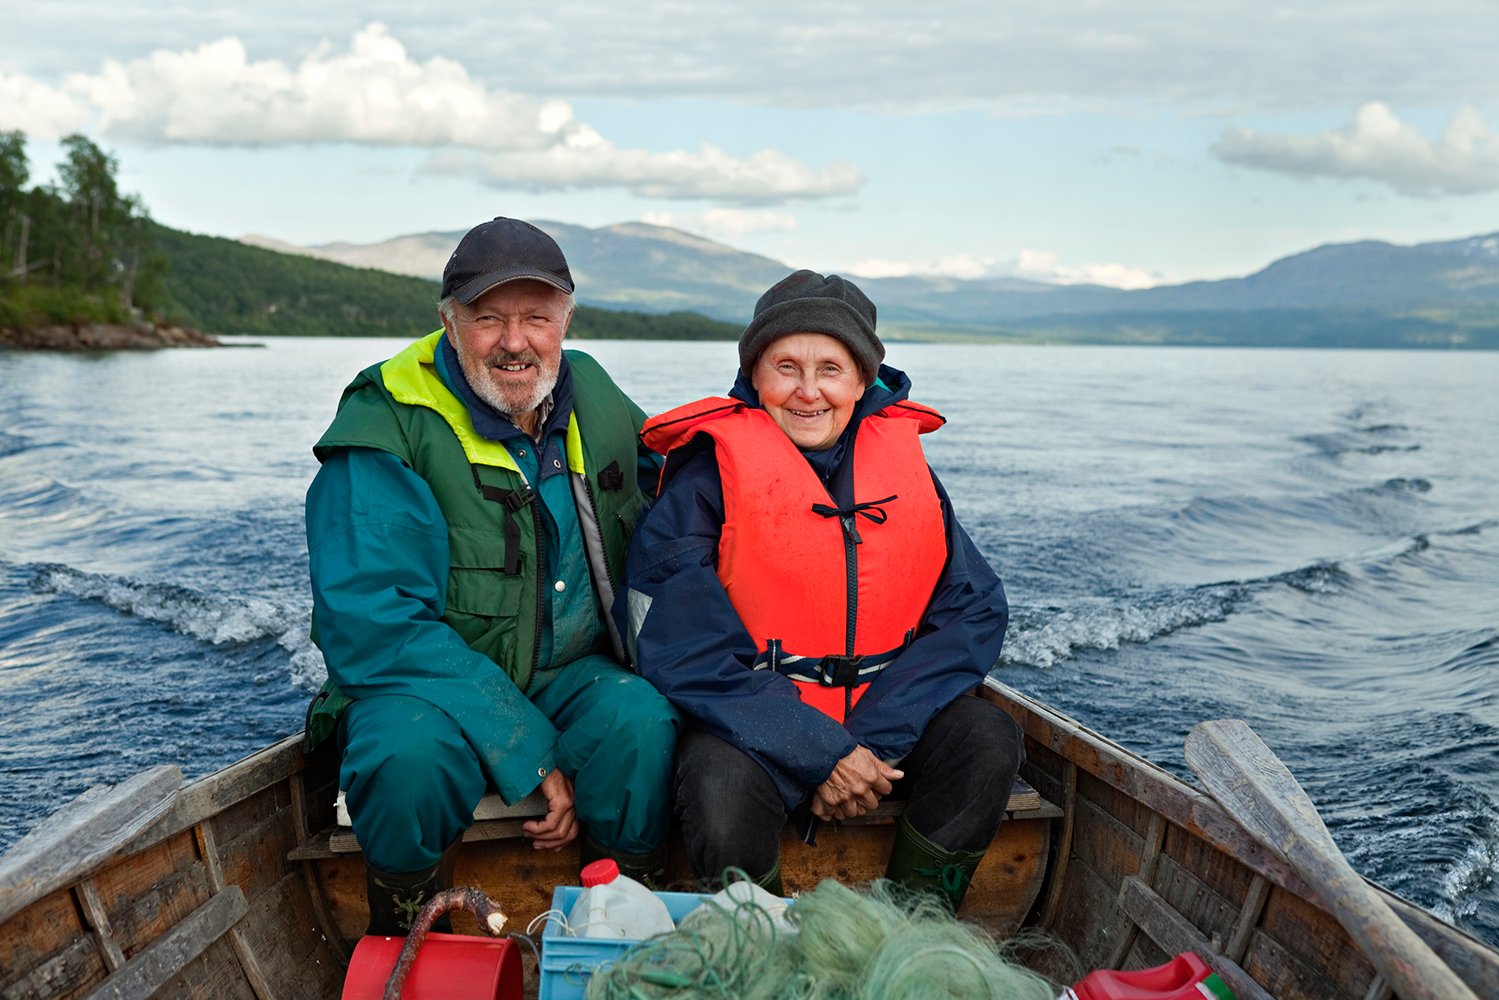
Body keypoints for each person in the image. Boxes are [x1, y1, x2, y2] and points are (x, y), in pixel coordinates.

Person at [303, 217, 679, 935]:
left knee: (640, 724)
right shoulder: (388, 422)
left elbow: (681, 497)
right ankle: (411, 937)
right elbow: (370, 625)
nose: (515, 341)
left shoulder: (591, 392)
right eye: (488, 319)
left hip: (567, 673)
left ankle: (623, 927)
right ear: (448, 322)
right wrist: (531, 757)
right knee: (403, 759)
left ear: (565, 319)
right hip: (422, 684)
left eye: (537, 317)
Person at [621, 269, 1024, 911]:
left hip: (888, 718)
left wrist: (870, 745)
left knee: (988, 738)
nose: (808, 391)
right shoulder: (703, 479)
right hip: (754, 721)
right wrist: (818, 749)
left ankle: (911, 928)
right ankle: (763, 944)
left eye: (831, 369)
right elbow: (676, 643)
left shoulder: (904, 469)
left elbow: (974, 611)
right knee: (715, 785)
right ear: (754, 376)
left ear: (863, 381)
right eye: (786, 366)